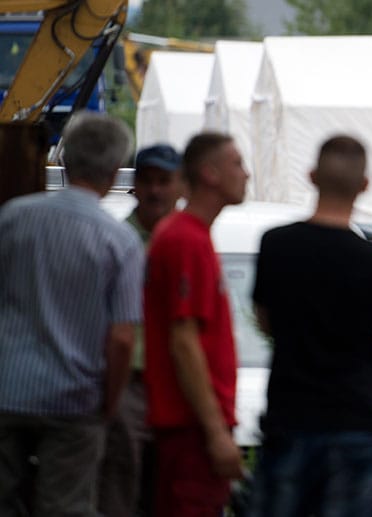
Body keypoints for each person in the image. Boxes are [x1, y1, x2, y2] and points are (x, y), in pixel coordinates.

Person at [250, 135, 372, 517]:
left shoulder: (275, 245)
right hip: (356, 421)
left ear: (312, 176)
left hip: (290, 419)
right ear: (365, 186)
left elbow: (264, 321)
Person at [0, 112, 144, 516]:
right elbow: (120, 339)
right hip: (74, 401)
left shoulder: (12, 217)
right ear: (116, 172)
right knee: (65, 507)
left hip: (7, 390)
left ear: (62, 160)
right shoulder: (120, 241)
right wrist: (109, 405)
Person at [143, 132, 247, 515]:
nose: (246, 174)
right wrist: (216, 432)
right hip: (190, 431)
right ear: (210, 174)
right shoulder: (185, 239)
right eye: (237, 163)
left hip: (191, 428)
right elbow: (184, 341)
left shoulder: (191, 235)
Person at [99, 144, 183, 517]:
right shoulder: (116, 240)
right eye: (147, 181)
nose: (155, 190)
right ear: (134, 186)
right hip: (129, 382)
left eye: (164, 181)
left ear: (180, 186)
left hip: (177, 383)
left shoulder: (188, 241)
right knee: (122, 491)